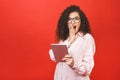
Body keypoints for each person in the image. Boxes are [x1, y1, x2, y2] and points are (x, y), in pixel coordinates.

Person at [49, 5, 96, 80]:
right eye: (69, 19)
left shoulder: (87, 38)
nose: (73, 22)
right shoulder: (64, 38)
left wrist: (74, 64)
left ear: (81, 22)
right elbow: (53, 56)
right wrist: (70, 39)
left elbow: (88, 68)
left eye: (76, 19)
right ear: (66, 23)